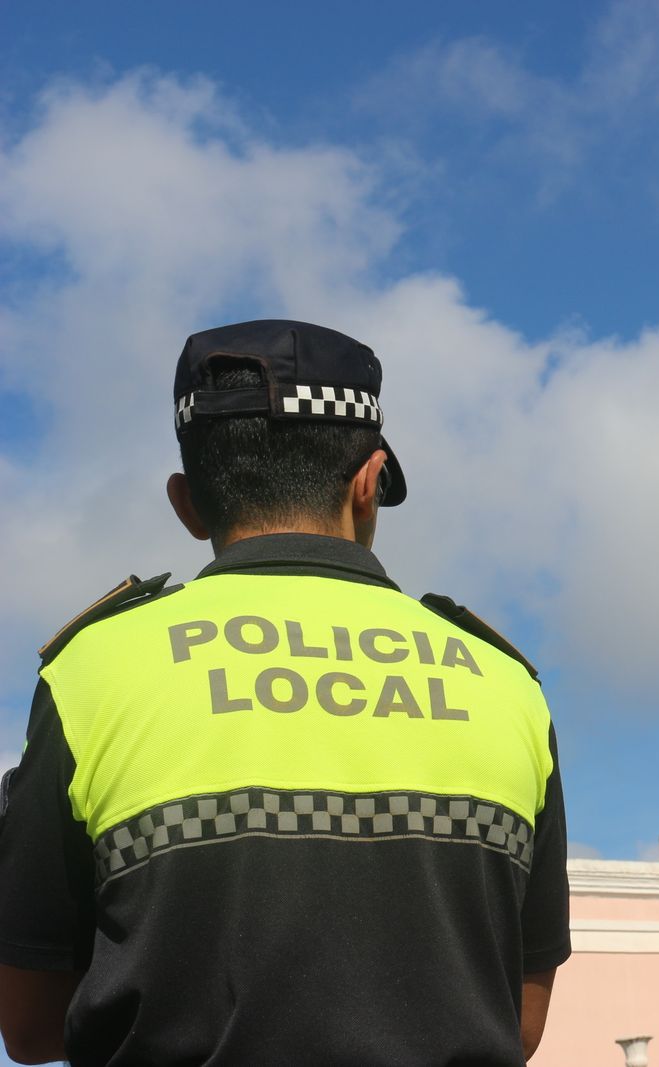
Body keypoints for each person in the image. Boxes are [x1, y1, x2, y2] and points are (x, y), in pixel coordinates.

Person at [0, 320, 570, 1065]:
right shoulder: (505, 684)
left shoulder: (90, 671)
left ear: (188, 502)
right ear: (368, 483)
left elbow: (31, 1022)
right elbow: (520, 1021)